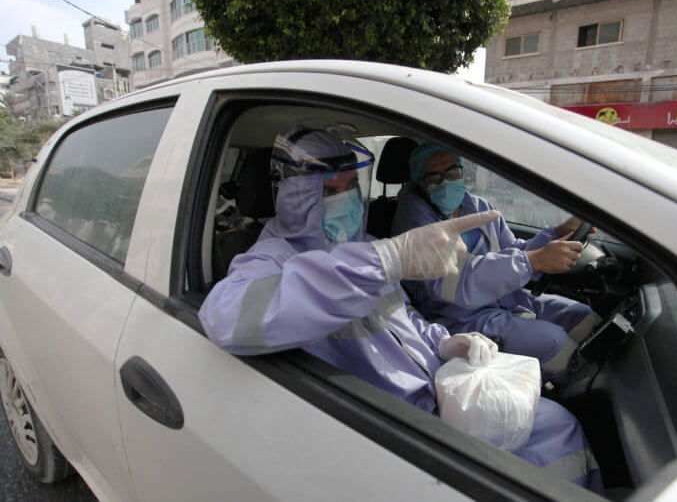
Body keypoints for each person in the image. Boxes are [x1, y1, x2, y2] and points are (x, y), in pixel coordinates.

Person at [199, 127, 603, 492]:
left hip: (436, 389)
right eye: (327, 191)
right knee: (555, 437)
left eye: (348, 186)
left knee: (557, 424)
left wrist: (446, 344)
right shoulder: (271, 259)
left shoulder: (365, 242)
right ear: (292, 195)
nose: (344, 199)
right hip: (393, 423)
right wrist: (387, 259)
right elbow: (226, 316)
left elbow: (408, 321)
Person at [391, 143, 601, 376]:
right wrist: (532, 261)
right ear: (418, 182)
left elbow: (511, 249)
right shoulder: (413, 219)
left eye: (452, 171)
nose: (446, 181)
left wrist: (557, 234)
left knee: (583, 317)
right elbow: (452, 280)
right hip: (459, 316)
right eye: (433, 177)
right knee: (556, 343)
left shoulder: (477, 206)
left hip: (507, 300)